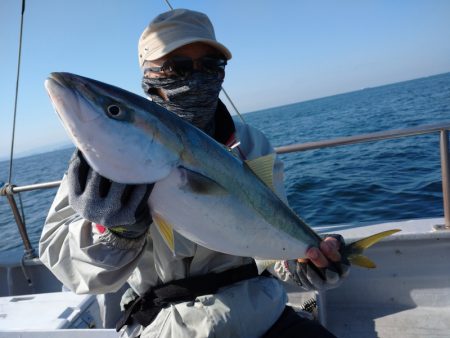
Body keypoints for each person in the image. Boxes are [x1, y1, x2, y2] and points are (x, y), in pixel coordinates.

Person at [39, 8, 349, 338]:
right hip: (166, 326)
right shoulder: (100, 162)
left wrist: (302, 263)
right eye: (177, 66)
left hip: (262, 313)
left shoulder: (251, 143)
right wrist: (115, 232)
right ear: (150, 76)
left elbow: (268, 236)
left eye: (211, 66)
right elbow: (70, 268)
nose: (196, 77)